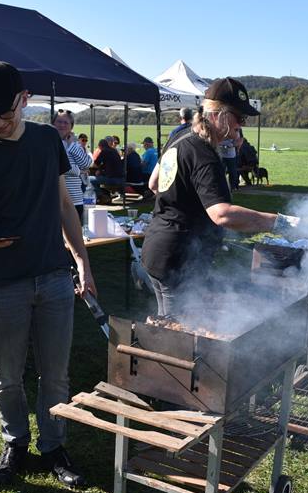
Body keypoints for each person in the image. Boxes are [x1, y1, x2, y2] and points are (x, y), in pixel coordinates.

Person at [0, 60, 96, 489]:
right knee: (7, 374)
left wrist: (83, 261)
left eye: (5, 112)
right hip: (0, 282)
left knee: (55, 373)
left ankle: (53, 446)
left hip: (52, 276)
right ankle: (15, 441)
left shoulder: (48, 140)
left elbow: (65, 205)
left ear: (24, 100)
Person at [141, 78, 296, 315]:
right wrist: (281, 222)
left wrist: (185, 204)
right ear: (218, 115)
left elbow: (154, 183)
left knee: (167, 323)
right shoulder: (204, 155)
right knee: (179, 331)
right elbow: (222, 214)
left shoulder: (181, 136)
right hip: (178, 258)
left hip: (158, 248)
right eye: (239, 117)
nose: (242, 124)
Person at [53, 109, 92, 223]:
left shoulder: (74, 144)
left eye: (66, 123)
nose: (62, 125)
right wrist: (78, 171)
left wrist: (71, 145)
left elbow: (86, 163)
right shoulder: (49, 143)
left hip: (75, 199)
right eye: (59, 121)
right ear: (53, 123)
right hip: (55, 199)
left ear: (71, 127)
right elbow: (55, 167)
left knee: (75, 234)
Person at [89, 137, 124, 202]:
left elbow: (95, 164)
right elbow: (108, 164)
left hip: (112, 179)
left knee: (89, 179)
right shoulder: (114, 150)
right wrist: (100, 169)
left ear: (100, 146)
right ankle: (103, 196)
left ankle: (101, 196)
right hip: (121, 178)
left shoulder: (104, 151)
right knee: (97, 177)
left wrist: (94, 167)